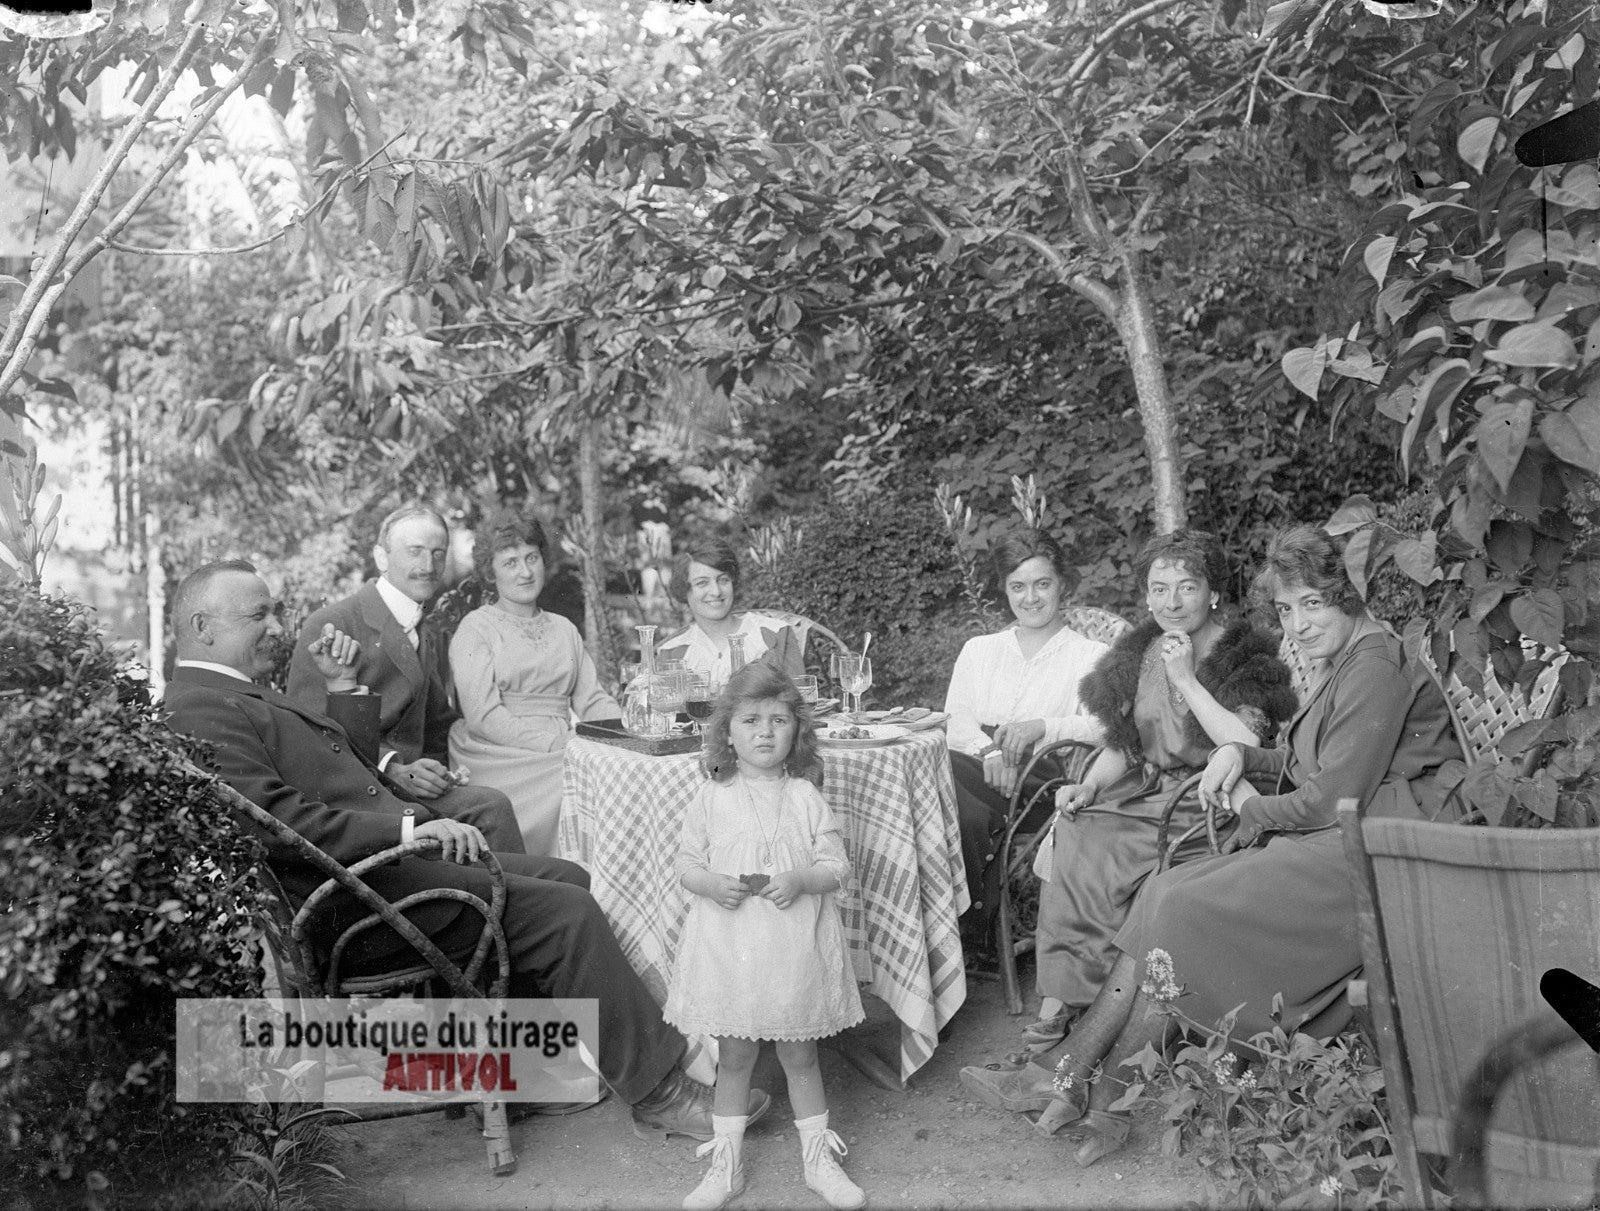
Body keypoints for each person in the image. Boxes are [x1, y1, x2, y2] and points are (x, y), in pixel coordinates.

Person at [165, 559, 772, 1143]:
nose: (277, 627)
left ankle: (533, 1069)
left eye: (274, 613)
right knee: (568, 915)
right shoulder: (200, 706)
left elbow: (338, 768)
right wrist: (410, 828)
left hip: (377, 877)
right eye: (259, 616)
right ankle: (661, 1094)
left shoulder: (236, 692)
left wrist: (341, 688)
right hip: (359, 905)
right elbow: (279, 822)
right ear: (202, 626)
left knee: (573, 876)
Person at [960, 526, 1465, 1166]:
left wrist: (1249, 804)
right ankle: (1071, 1076)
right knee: (1164, 893)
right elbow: (1311, 763)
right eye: (1286, 609)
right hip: (1339, 835)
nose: (1299, 625)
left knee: (1178, 906)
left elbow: (1329, 797)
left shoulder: (1374, 666)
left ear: (1349, 595)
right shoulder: (1350, 658)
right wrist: (1244, 755)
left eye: (1313, 603)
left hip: (1378, 854)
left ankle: (1101, 1090)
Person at [1026, 530, 1296, 1049]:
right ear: (1147, 595)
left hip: (1205, 801)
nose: (1172, 602)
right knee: (1079, 833)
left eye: (1187, 587)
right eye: (1159, 588)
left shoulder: (1244, 653)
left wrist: (1187, 679)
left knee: (1119, 851)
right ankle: (1066, 1001)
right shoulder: (1138, 651)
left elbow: (1244, 743)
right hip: (1142, 792)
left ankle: (1111, 1013)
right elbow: (1123, 745)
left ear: (1213, 592)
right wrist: (1087, 784)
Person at [663, 663, 866, 1211]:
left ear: (797, 731)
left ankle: (817, 1159)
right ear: (727, 731)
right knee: (735, 1054)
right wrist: (710, 883)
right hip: (733, 949)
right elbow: (685, 864)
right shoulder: (712, 797)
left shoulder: (804, 796)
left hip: (792, 949)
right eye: (750, 720)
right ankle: (726, 1166)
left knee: (800, 1055)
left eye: (779, 720)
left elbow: (836, 867)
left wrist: (802, 879)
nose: (764, 732)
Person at [942, 529, 1110, 957]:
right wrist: (989, 750)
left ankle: (958, 928)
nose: (1030, 597)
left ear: (1062, 585)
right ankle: (972, 914)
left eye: (1042, 584)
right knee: (936, 767)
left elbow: (1102, 728)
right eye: (1018, 586)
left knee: (937, 782)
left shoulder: (1087, 655)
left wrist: (1042, 726)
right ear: (1004, 591)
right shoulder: (980, 649)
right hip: (975, 770)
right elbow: (955, 715)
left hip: (1039, 784)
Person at [447, 510, 620, 855]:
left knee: (619, 772)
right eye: (510, 563)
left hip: (561, 747)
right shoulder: (476, 628)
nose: (525, 572)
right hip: (500, 754)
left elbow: (592, 700)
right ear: (490, 572)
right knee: (583, 778)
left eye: (532, 558)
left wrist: (623, 732)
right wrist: (558, 743)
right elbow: (484, 717)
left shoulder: (563, 628)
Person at [287, 505, 458, 794]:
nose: (428, 567)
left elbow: (438, 724)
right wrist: (391, 768)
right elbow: (309, 729)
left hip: (414, 786)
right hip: (357, 790)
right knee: (493, 807)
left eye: (438, 553)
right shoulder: (334, 622)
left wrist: (440, 772)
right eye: (414, 551)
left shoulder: (422, 628)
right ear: (381, 557)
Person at [655, 539, 804, 687]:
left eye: (723, 580)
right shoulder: (671, 652)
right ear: (684, 591)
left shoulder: (775, 634)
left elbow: (800, 703)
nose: (716, 591)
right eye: (702, 583)